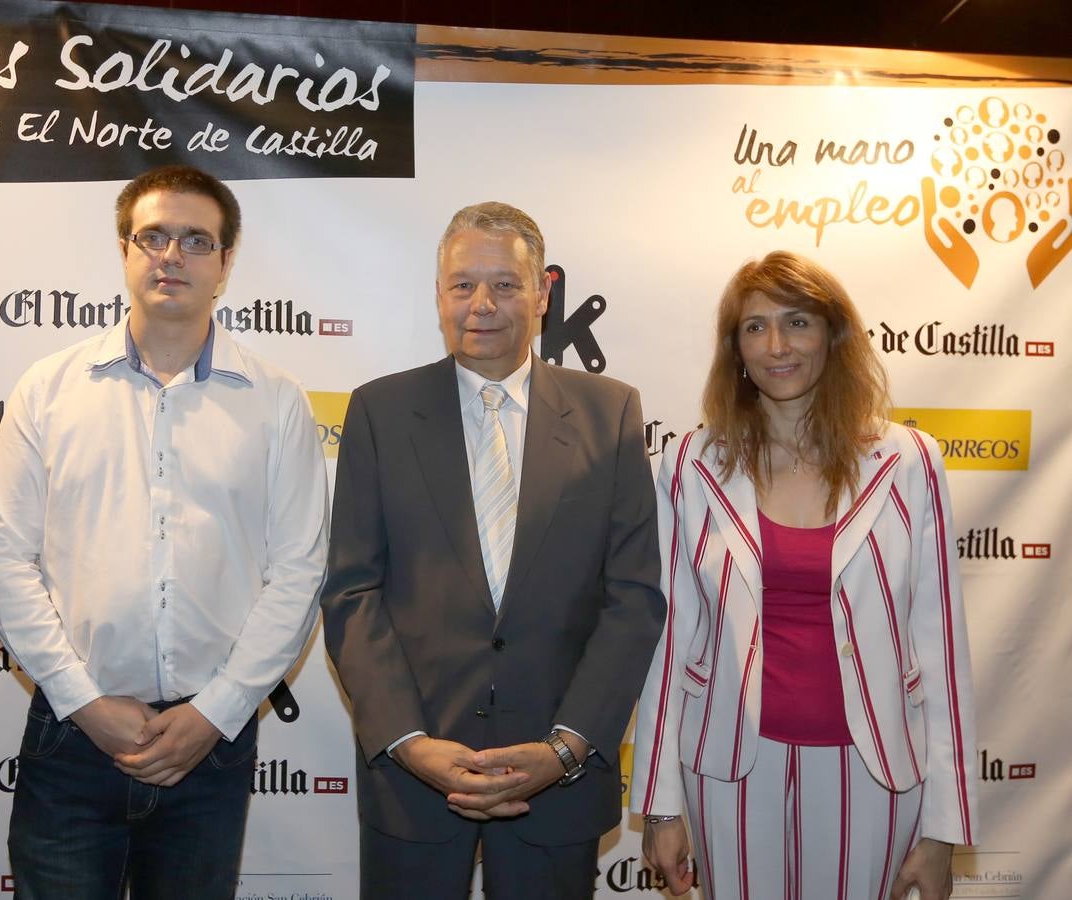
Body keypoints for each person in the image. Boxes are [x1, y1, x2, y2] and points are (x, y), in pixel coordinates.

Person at [0, 164, 328, 899]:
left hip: (212, 748)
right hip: (72, 737)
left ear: (226, 263)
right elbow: (5, 558)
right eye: (154, 236)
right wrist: (83, 701)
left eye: (197, 240)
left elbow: (298, 572)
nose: (173, 256)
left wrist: (217, 713)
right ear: (125, 250)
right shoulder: (47, 390)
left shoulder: (277, 402)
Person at [321, 201, 665, 899]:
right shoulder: (379, 412)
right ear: (439, 295)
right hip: (413, 779)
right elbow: (352, 593)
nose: (481, 304)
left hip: (556, 780)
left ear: (542, 294)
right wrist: (411, 745)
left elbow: (631, 600)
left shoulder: (612, 413)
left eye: (505, 284)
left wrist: (565, 749)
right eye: (461, 285)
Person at [631, 251, 977, 900]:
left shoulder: (909, 462)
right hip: (729, 767)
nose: (777, 345)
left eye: (798, 322)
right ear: (735, 347)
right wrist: (660, 805)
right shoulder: (691, 464)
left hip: (874, 767)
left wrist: (943, 829)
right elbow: (668, 641)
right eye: (755, 327)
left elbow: (941, 649)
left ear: (833, 335)